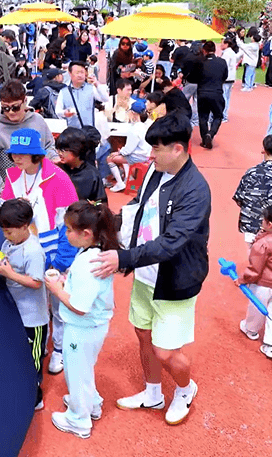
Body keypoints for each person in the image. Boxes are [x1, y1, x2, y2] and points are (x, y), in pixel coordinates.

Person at [91, 114, 210, 426]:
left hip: (175, 279)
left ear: (178, 149)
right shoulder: (156, 172)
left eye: (156, 149)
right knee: (143, 334)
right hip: (146, 276)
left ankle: (185, 389)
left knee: (165, 351)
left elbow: (172, 243)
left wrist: (124, 258)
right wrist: (107, 223)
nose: (150, 155)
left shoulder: (195, 190)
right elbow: (138, 207)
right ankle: (153, 392)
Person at [2, 127, 79, 375]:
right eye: (14, 153)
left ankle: (60, 350)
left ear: (36, 154)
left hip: (56, 255)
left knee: (59, 306)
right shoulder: (13, 176)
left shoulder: (59, 178)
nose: (16, 158)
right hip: (26, 254)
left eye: (22, 154)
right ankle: (42, 342)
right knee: (35, 302)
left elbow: (71, 225)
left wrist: (61, 262)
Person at [46, 201, 118, 439]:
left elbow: (79, 306)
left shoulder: (88, 264)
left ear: (86, 234)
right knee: (84, 367)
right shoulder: (93, 252)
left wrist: (57, 289)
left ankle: (78, 418)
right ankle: (92, 403)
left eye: (68, 229)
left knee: (75, 372)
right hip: (93, 326)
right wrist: (68, 281)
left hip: (82, 327)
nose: (64, 234)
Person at [0, 198, 49, 411]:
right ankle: (20, 388)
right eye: (4, 232)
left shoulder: (32, 251)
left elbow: (35, 282)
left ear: (25, 227)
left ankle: (36, 395)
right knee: (18, 353)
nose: (6, 236)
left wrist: (9, 273)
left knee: (33, 359)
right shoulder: (10, 243)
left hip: (33, 317)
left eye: (10, 232)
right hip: (17, 310)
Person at [0, 81, 59, 198]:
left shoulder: (38, 120)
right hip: (10, 193)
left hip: (40, 189)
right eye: (5, 108)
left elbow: (48, 146)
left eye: (15, 107)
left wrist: (53, 158)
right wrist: (4, 191)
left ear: (25, 101)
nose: (11, 112)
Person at [237, 204, 272, 359]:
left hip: (262, 286)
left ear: (269, 224)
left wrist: (242, 279)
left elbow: (255, 269)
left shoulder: (262, 244)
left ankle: (251, 330)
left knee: (256, 309)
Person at [107, 101, 151, 192]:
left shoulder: (134, 129)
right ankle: (127, 177)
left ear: (133, 113)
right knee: (121, 152)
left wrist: (119, 152)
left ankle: (120, 183)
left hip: (138, 156)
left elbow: (128, 151)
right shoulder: (145, 126)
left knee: (110, 158)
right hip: (146, 154)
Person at [56, 127, 107, 204]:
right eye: (58, 149)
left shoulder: (92, 174)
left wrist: (94, 205)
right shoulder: (57, 170)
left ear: (77, 149)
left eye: (64, 150)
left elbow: (101, 202)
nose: (59, 153)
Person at [56, 61, 108, 130]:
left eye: (82, 72)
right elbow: (58, 111)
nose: (80, 75)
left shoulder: (91, 88)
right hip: (73, 132)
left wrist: (96, 84)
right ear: (70, 74)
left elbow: (105, 99)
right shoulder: (64, 92)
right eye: (77, 73)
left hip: (89, 132)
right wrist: (65, 113)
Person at [196, 41, 228, 149]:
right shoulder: (222, 62)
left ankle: (204, 139)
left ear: (204, 51)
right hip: (216, 92)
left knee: (203, 117)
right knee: (218, 116)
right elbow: (225, 76)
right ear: (215, 50)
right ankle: (211, 133)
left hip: (202, 92)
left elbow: (194, 77)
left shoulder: (200, 63)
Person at [220, 37, 241, 122]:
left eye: (222, 43)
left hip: (226, 78)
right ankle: (224, 115)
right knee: (227, 97)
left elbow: (224, 66)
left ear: (227, 44)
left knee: (224, 97)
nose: (221, 44)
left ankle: (223, 115)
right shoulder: (231, 52)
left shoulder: (227, 54)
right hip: (230, 77)